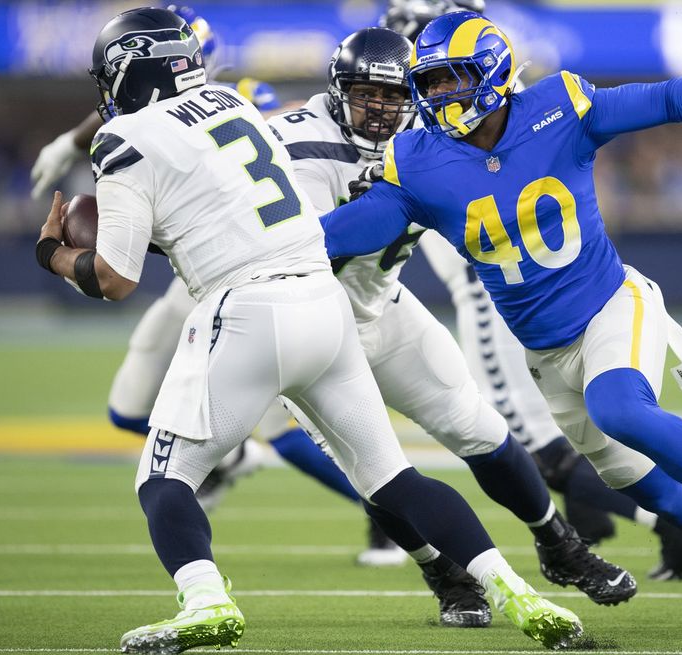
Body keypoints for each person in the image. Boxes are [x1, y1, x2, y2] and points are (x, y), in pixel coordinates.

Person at [35, 8, 585, 652]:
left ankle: (206, 601)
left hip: (243, 310)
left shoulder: (123, 137)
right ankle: (516, 590)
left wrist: (50, 254)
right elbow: (217, 210)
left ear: (128, 70)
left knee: (163, 479)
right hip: (325, 303)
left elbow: (115, 279)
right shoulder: (231, 104)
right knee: (394, 478)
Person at [319, 11, 682, 634]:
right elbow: (364, 224)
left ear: (495, 72)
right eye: (432, 81)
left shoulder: (557, 108)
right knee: (644, 486)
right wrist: (290, 244)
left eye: (453, 78)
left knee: (621, 409)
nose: (441, 94)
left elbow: (661, 98)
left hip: (611, 304)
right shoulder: (416, 158)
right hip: (546, 351)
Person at [266, 26, 636, 623]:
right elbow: (275, 236)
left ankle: (559, 544)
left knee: (483, 432)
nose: (381, 109)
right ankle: (445, 576)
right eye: (366, 95)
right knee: (375, 469)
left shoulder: (430, 132)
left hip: (384, 309)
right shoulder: (292, 139)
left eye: (393, 96)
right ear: (338, 92)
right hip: (310, 332)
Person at [29, 4, 406, 566]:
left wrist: (57, 249)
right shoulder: (208, 105)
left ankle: (388, 516)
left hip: (248, 270)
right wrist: (72, 142)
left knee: (281, 424)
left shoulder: (240, 100)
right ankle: (231, 461)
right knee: (128, 408)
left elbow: (119, 271)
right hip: (192, 269)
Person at [384, 0, 682, 580]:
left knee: (538, 449)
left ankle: (672, 524)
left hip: (500, 298)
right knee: (565, 442)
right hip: (524, 293)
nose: (424, 84)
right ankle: (629, 520)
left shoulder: (442, 129)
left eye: (437, 71)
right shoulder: (480, 112)